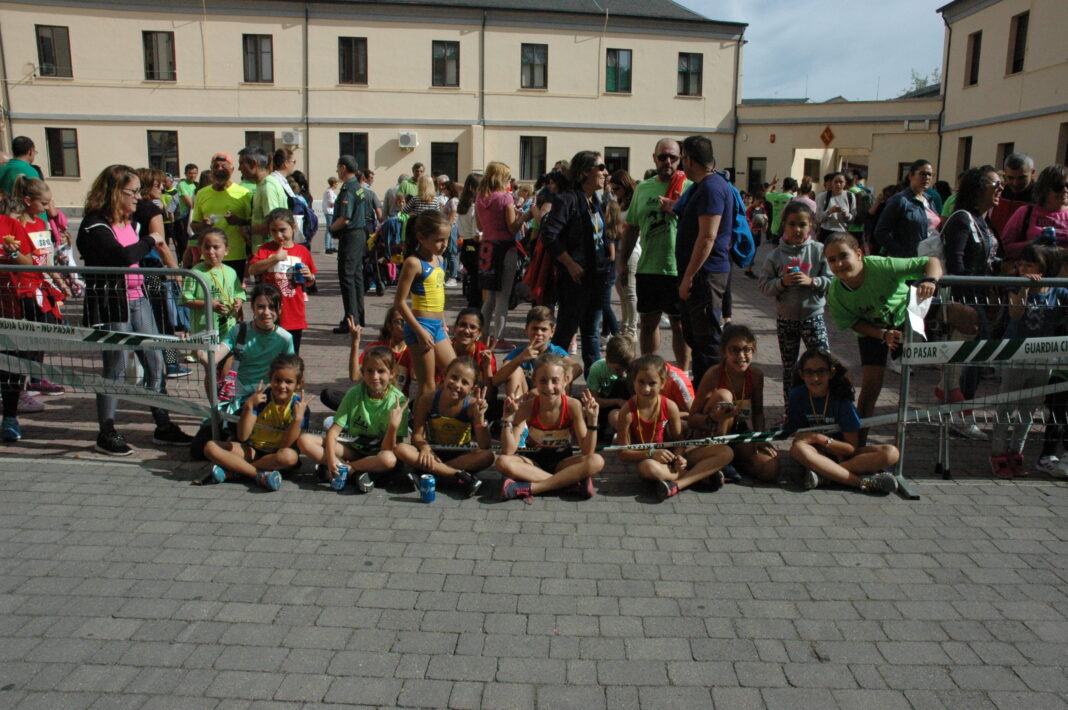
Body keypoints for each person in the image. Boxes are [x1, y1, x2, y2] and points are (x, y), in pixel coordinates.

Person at [76, 165, 193, 455]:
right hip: (112, 304)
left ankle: (163, 424)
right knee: (115, 367)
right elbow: (123, 256)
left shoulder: (128, 220)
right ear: (115, 192)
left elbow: (139, 245)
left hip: (138, 297)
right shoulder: (94, 225)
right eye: (133, 192)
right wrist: (152, 239)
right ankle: (106, 431)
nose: (138, 198)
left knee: (156, 361)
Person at [824, 232, 942, 443]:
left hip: (908, 313)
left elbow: (931, 261)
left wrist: (931, 280)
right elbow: (852, 322)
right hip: (874, 329)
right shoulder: (835, 293)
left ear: (858, 253)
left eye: (843, 256)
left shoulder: (882, 265)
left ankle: (953, 378)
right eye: (832, 260)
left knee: (965, 315)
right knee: (870, 388)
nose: (839, 264)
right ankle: (857, 443)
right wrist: (882, 334)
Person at [990, 244, 1067, 478]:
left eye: (1029, 264)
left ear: (1043, 267)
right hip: (1016, 355)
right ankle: (998, 452)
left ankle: (1017, 452)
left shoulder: (1056, 290)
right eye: (1020, 264)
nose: (1023, 268)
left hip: (1043, 358)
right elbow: (1015, 314)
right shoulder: (1016, 285)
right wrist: (1024, 289)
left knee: (1029, 408)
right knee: (1006, 405)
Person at [615, 354, 733, 500]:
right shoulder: (627, 411)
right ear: (633, 382)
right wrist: (651, 453)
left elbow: (679, 441)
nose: (646, 389)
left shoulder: (670, 406)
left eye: (652, 383)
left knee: (726, 452)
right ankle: (697, 475)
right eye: (641, 382)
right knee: (647, 467)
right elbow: (623, 453)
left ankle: (679, 482)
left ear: (662, 384)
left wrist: (678, 458)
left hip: (671, 459)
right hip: (650, 460)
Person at [939, 166, 1002, 440]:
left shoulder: (983, 221)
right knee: (967, 362)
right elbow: (956, 264)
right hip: (964, 302)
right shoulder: (962, 219)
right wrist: (981, 287)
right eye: (995, 184)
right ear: (978, 188)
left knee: (964, 363)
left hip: (979, 299)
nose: (1001, 189)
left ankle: (955, 412)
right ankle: (960, 417)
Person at [786, 348, 899, 494]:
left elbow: (851, 448)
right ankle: (862, 483)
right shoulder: (796, 395)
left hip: (843, 454)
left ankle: (824, 475)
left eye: (821, 371)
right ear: (801, 374)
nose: (815, 378)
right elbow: (799, 436)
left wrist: (819, 438)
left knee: (891, 453)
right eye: (809, 372)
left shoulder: (841, 399)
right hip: (816, 453)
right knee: (797, 449)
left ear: (831, 373)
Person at [298, 344, 408, 494]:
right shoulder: (354, 393)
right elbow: (333, 432)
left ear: (392, 373)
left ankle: (347, 470)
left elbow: (388, 449)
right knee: (304, 440)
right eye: (369, 371)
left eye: (381, 371)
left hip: (377, 454)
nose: (374, 377)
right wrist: (331, 458)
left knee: (388, 460)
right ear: (362, 372)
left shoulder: (398, 401)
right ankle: (349, 471)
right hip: (354, 448)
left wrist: (393, 426)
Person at [496, 353, 604, 501]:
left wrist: (593, 420)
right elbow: (508, 450)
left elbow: (587, 451)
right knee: (502, 462)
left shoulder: (573, 405)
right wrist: (507, 418)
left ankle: (533, 488)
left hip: (562, 463)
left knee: (597, 460)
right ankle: (568, 483)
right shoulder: (527, 407)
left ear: (566, 380)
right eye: (543, 381)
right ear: (535, 380)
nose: (549, 387)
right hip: (533, 464)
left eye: (555, 381)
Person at [541, 151, 612, 373]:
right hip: (575, 279)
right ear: (585, 172)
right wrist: (570, 264)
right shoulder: (567, 199)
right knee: (565, 332)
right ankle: (549, 378)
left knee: (591, 333)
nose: (606, 173)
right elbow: (549, 235)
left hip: (596, 277)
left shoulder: (595, 200)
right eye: (601, 168)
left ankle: (595, 383)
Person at [623, 139, 691, 369]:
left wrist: (677, 207)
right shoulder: (643, 188)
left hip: (678, 268)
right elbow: (632, 227)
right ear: (654, 158)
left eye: (673, 157)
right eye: (662, 157)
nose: (668, 161)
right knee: (648, 322)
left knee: (679, 325)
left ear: (681, 159)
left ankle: (683, 374)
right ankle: (650, 372)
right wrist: (622, 263)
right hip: (648, 266)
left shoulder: (690, 187)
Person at [758, 201, 832, 406]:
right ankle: (791, 410)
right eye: (792, 224)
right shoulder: (775, 256)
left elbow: (833, 280)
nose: (797, 229)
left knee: (823, 363)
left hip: (813, 318)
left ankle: (825, 408)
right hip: (786, 320)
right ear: (784, 225)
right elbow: (764, 286)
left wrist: (813, 281)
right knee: (790, 368)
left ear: (811, 226)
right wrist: (781, 283)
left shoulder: (819, 251)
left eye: (802, 224)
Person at [673, 135, 734, 384]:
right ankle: (702, 393)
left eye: (681, 158)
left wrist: (689, 276)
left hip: (705, 275)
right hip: (699, 274)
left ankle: (713, 395)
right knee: (696, 338)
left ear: (689, 159)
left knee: (707, 340)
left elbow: (708, 236)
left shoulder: (712, 187)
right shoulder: (703, 186)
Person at [201, 354, 309, 491]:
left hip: (276, 457)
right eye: (277, 380)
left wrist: (297, 419)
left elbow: (285, 446)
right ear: (270, 378)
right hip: (252, 450)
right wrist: (249, 406)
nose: (282, 386)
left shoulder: (300, 407)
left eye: (288, 382)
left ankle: (237, 471)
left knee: (289, 457)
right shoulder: (262, 398)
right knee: (210, 447)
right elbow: (243, 436)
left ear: (299, 383)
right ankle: (256, 475)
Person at [393, 357, 493, 498]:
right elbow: (417, 435)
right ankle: (457, 475)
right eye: (454, 377)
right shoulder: (427, 400)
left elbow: (484, 445)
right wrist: (425, 448)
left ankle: (431, 473)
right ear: (445, 375)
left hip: (460, 455)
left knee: (488, 457)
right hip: (433, 453)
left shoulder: (472, 405)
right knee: (401, 448)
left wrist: (480, 417)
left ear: (473, 388)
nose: (457, 385)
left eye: (465, 383)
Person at [691, 325, 779, 483]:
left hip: (737, 431)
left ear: (753, 350)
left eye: (747, 350)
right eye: (735, 350)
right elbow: (692, 418)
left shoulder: (756, 375)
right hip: (711, 432)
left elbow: (758, 412)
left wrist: (760, 438)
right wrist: (712, 418)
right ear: (724, 352)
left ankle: (732, 462)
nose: (741, 356)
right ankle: (718, 458)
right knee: (724, 395)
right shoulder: (714, 374)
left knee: (770, 469)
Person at [395, 211, 456, 397]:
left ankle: (435, 408)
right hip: (420, 326)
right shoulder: (414, 263)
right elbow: (399, 302)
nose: (444, 244)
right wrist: (420, 331)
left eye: (447, 239)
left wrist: (443, 324)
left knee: (454, 372)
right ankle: (422, 415)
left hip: (437, 326)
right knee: (427, 384)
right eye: (439, 240)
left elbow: (439, 294)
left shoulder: (440, 259)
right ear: (421, 237)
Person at [248, 208, 316, 353]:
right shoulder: (266, 249)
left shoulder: (302, 251)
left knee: (291, 355)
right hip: (270, 313)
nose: (278, 235)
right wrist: (275, 258)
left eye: (282, 230)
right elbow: (252, 269)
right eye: (273, 231)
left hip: (294, 313)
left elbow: (310, 282)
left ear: (293, 227)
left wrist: (309, 277)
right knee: (270, 354)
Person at [475, 162, 529, 344]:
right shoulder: (506, 198)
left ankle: (482, 335)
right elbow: (512, 228)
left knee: (490, 296)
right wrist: (525, 216)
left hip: (487, 247)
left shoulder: (480, 197)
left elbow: (480, 226)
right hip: (505, 248)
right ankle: (499, 338)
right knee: (503, 296)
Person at [0, 205, 35, 441]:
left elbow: (29, 262)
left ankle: (10, 418)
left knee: (9, 363)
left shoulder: (9, 224)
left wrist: (13, 253)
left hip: (8, 306)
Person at [493, 306, 579, 399]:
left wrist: (557, 384)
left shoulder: (555, 352)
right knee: (514, 370)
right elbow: (496, 381)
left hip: (549, 398)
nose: (539, 333)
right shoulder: (519, 352)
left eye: (544, 329)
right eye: (534, 328)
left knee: (563, 370)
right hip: (525, 401)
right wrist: (519, 359)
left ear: (552, 331)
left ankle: (560, 407)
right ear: (526, 329)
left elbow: (577, 368)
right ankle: (516, 406)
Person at [190, 153, 252, 279]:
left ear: (232, 170)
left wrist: (238, 221)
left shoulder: (244, 193)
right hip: (209, 255)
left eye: (224, 166)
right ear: (211, 170)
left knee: (232, 291)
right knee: (209, 290)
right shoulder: (202, 193)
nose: (219, 169)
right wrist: (203, 225)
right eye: (216, 166)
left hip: (235, 256)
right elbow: (194, 226)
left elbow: (251, 224)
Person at [180, 228, 243, 344]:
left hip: (228, 326)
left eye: (216, 247)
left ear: (226, 250)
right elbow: (185, 300)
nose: (211, 251)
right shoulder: (195, 273)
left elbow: (238, 292)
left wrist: (238, 301)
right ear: (200, 249)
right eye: (207, 247)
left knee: (227, 352)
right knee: (206, 355)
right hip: (204, 328)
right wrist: (209, 305)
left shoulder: (231, 272)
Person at [331, 155, 372, 331]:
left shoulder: (348, 189)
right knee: (356, 277)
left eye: (338, 167)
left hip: (351, 236)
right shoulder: (359, 187)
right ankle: (358, 316)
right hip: (360, 233)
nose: (337, 171)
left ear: (343, 168)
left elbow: (345, 218)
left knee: (347, 277)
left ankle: (350, 320)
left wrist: (332, 229)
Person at [872, 159, 938, 258]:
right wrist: (902, 253)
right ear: (911, 175)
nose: (927, 178)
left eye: (930, 174)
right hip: (911, 259)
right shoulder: (900, 200)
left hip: (932, 256)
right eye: (923, 174)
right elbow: (880, 232)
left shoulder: (930, 200)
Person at [1000, 164, 1068, 258]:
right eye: (1058, 187)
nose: (1065, 190)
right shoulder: (1025, 212)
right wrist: (1032, 245)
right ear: (1044, 189)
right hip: (1031, 266)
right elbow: (1004, 248)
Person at [586, 334, 636, 437]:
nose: (622, 372)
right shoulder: (597, 368)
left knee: (622, 382)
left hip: (628, 407)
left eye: (626, 369)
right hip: (608, 404)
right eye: (618, 369)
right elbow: (593, 400)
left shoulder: (634, 369)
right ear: (607, 359)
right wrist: (617, 401)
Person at [241, 147, 287, 253]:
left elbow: (274, 225)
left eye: (241, 164)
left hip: (269, 254)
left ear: (253, 164)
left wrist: (248, 230)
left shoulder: (268, 187)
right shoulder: (261, 185)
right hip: (263, 252)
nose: (239, 168)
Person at [450, 308, 497, 395]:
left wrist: (486, 367)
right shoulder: (445, 349)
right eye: (462, 325)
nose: (466, 331)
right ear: (455, 327)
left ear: (479, 333)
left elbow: (490, 395)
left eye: (473, 327)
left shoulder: (484, 353)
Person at [990, 152, 1036, 236]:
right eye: (1010, 178)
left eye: (1022, 178)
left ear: (1032, 173)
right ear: (1005, 173)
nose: (1016, 183)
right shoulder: (998, 193)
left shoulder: (1041, 197)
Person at [456, 173, 482, 308]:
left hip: (466, 244)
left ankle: (473, 303)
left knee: (473, 277)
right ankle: (474, 305)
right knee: (477, 279)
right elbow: (477, 234)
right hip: (474, 244)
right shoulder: (474, 207)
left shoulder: (463, 205)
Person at [815, 172, 855, 242]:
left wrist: (847, 215)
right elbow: (818, 218)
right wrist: (829, 212)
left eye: (841, 182)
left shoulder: (850, 196)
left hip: (842, 232)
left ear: (845, 183)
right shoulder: (823, 196)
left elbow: (853, 216)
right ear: (832, 183)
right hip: (826, 232)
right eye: (836, 182)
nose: (838, 184)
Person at [322, 177, 339, 254]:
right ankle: (327, 247)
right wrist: (339, 204)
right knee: (329, 229)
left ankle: (331, 246)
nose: (337, 185)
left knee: (331, 229)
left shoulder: (331, 191)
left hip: (331, 212)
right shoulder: (329, 192)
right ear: (333, 184)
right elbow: (331, 204)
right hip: (329, 212)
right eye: (336, 183)